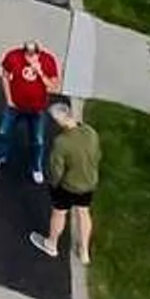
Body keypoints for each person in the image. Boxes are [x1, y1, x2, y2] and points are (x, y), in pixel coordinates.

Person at [32, 96, 100, 266]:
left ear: (58, 121)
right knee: (83, 212)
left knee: (59, 213)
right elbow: (97, 154)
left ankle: (51, 244)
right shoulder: (90, 132)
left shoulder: (61, 142)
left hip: (68, 186)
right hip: (88, 182)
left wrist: (53, 184)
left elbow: (56, 170)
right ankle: (84, 252)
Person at [0, 37, 61, 180]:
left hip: (37, 109)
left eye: (33, 53)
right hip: (15, 106)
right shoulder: (13, 56)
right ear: (24, 51)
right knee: (4, 133)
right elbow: (5, 75)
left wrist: (39, 71)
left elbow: (53, 86)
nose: (30, 56)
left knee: (38, 141)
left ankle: (36, 167)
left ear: (38, 52)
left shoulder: (48, 61)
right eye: (28, 53)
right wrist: (9, 99)